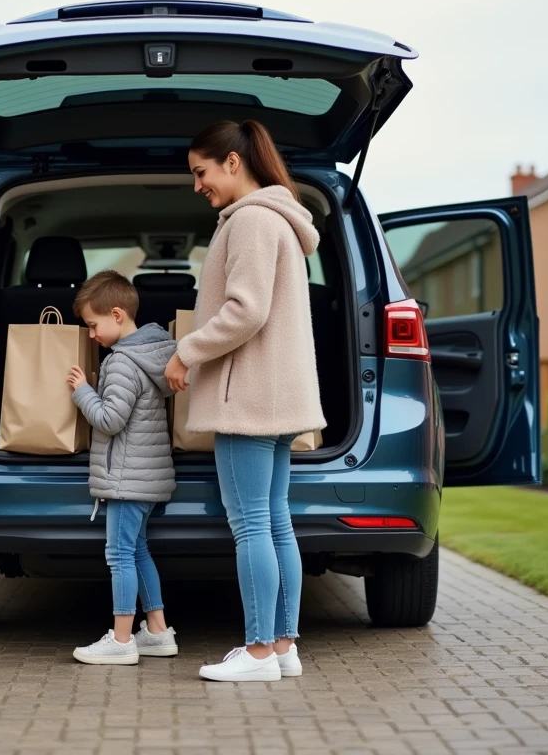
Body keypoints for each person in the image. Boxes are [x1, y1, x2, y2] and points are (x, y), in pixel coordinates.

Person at [164, 119, 324, 682]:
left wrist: (187, 351)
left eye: (201, 172)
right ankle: (283, 647)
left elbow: (246, 310)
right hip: (277, 399)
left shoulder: (252, 221)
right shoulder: (279, 220)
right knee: (276, 522)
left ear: (233, 163)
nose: (197, 185)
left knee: (253, 524)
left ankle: (257, 652)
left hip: (248, 399)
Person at [66, 270, 180, 665]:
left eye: (93, 325)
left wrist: (82, 391)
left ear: (117, 315)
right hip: (146, 477)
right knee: (138, 549)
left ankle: (120, 639)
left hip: (126, 480)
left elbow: (110, 420)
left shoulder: (120, 363)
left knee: (118, 555)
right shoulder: (154, 352)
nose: (92, 335)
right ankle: (158, 632)